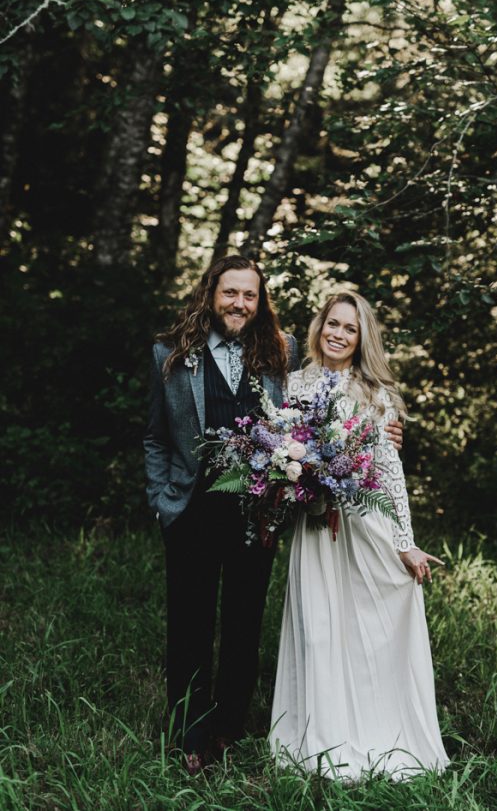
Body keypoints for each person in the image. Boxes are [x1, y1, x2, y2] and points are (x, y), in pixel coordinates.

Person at [144, 256, 405, 772]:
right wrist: (161, 501)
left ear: (260, 302)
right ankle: (189, 736)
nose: (240, 303)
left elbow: (328, 413)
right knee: (190, 626)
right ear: (211, 294)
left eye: (250, 295)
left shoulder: (279, 354)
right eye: (230, 293)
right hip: (190, 510)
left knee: (243, 625)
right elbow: (155, 436)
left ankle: (227, 729)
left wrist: (384, 430)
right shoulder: (170, 355)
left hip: (257, 512)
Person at [270, 291, 449, 781]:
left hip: (363, 525)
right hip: (315, 529)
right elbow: (281, 457)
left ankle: (380, 729)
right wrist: (298, 488)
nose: (338, 334)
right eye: (333, 323)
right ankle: (319, 735)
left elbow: (390, 475)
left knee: (366, 630)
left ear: (361, 338)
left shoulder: (377, 394)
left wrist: (405, 541)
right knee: (319, 628)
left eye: (350, 329)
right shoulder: (291, 385)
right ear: (319, 326)